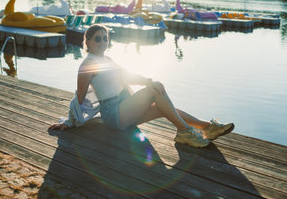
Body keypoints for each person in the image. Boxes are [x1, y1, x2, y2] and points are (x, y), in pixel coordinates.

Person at [49, 24, 234, 147]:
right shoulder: (86, 65)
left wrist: (147, 80)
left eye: (105, 38)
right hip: (114, 114)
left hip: (125, 106)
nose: (103, 42)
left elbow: (127, 77)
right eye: (98, 39)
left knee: (162, 106)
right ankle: (185, 132)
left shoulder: (108, 59)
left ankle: (206, 128)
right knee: (154, 92)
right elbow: (80, 98)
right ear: (87, 41)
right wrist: (69, 122)